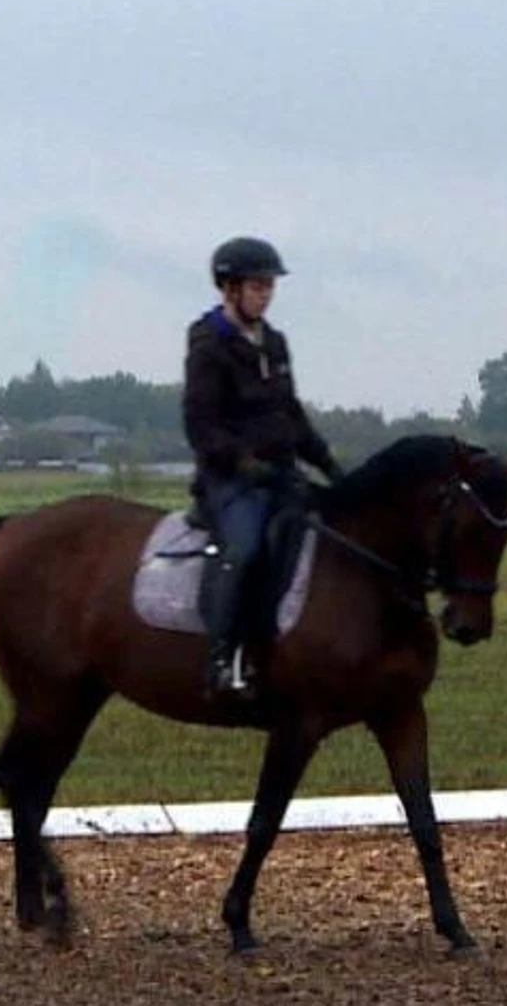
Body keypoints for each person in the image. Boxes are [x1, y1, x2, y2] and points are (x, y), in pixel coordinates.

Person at [183, 236, 343, 700]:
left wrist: (328, 464)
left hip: (280, 473)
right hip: (230, 480)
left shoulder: (274, 343)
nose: (266, 294)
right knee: (247, 547)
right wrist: (242, 464)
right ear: (229, 288)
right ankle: (220, 659)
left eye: (270, 286)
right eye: (258, 286)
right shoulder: (209, 345)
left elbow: (290, 413)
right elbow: (200, 425)